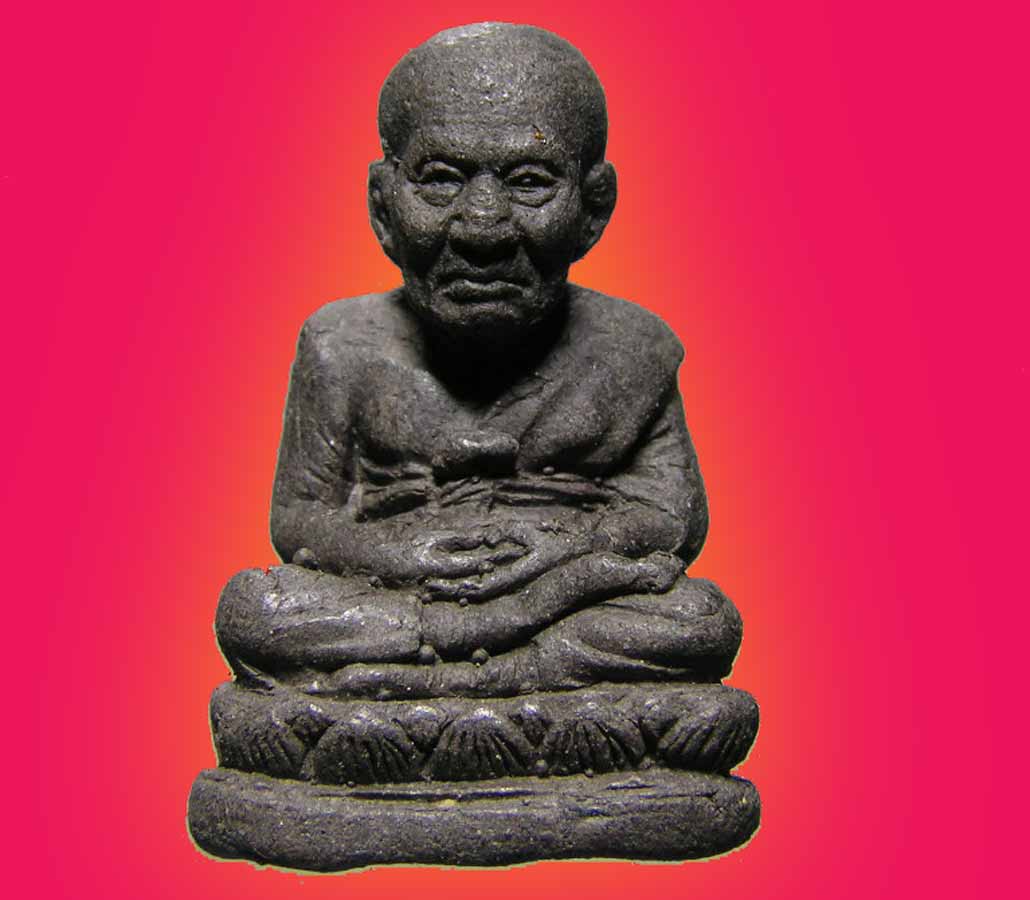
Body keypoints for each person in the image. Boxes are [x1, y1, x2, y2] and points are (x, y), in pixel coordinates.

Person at [216, 23, 742, 701]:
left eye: (529, 183)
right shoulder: (341, 344)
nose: (483, 226)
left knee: (700, 620)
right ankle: (498, 672)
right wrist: (401, 555)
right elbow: (298, 519)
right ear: (383, 206)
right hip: (408, 597)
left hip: (565, 591)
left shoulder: (633, 348)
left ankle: (487, 678)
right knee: (255, 608)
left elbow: (673, 517)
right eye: (441, 181)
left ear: (593, 208)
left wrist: (569, 549)